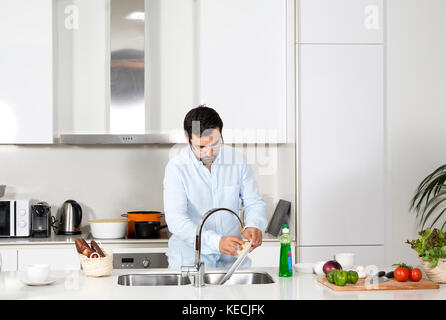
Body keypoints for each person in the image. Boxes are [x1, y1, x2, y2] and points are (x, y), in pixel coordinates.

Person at [163, 105, 267, 269]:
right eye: (201, 147)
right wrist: (216, 242)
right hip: (191, 260)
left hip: (233, 260)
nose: (209, 154)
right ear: (188, 139)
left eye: (215, 144)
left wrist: (254, 224)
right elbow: (176, 221)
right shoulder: (177, 168)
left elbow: (253, 202)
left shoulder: (237, 160)